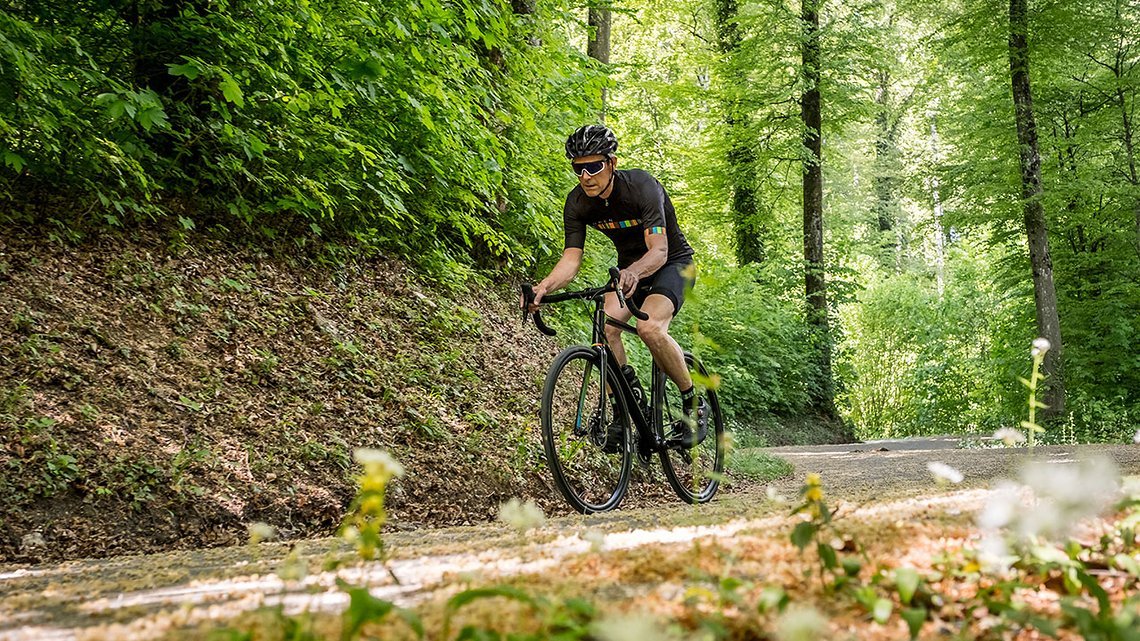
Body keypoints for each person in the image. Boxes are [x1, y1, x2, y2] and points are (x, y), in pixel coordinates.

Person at [526, 124, 707, 445]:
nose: (585, 176)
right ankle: (625, 405)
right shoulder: (578, 203)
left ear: (612, 163)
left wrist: (635, 272)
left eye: (593, 166)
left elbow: (660, 249)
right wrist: (545, 287)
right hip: (627, 271)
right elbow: (571, 260)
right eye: (578, 168)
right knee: (607, 329)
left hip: (673, 264)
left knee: (650, 329)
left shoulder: (641, 187)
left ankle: (693, 400)